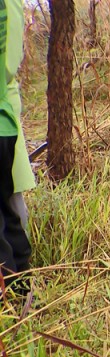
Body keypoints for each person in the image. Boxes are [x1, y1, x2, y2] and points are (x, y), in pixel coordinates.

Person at [0, 0, 32, 293]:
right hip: (6, 120)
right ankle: (22, 289)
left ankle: (9, 301)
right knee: (9, 213)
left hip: (4, 116)